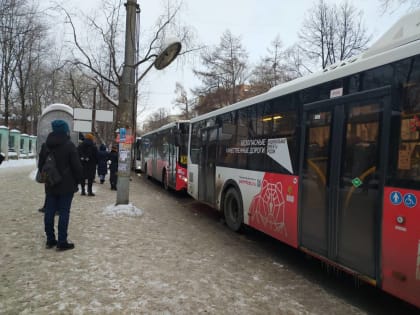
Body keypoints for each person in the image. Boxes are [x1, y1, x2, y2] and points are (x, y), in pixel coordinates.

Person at [38, 120, 82, 250]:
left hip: (51, 184)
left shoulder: (45, 146)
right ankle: (62, 242)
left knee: (49, 211)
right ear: (65, 130)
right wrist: (78, 181)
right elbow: (77, 167)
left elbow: (41, 166)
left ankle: (50, 240)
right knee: (64, 212)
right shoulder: (69, 146)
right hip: (67, 186)